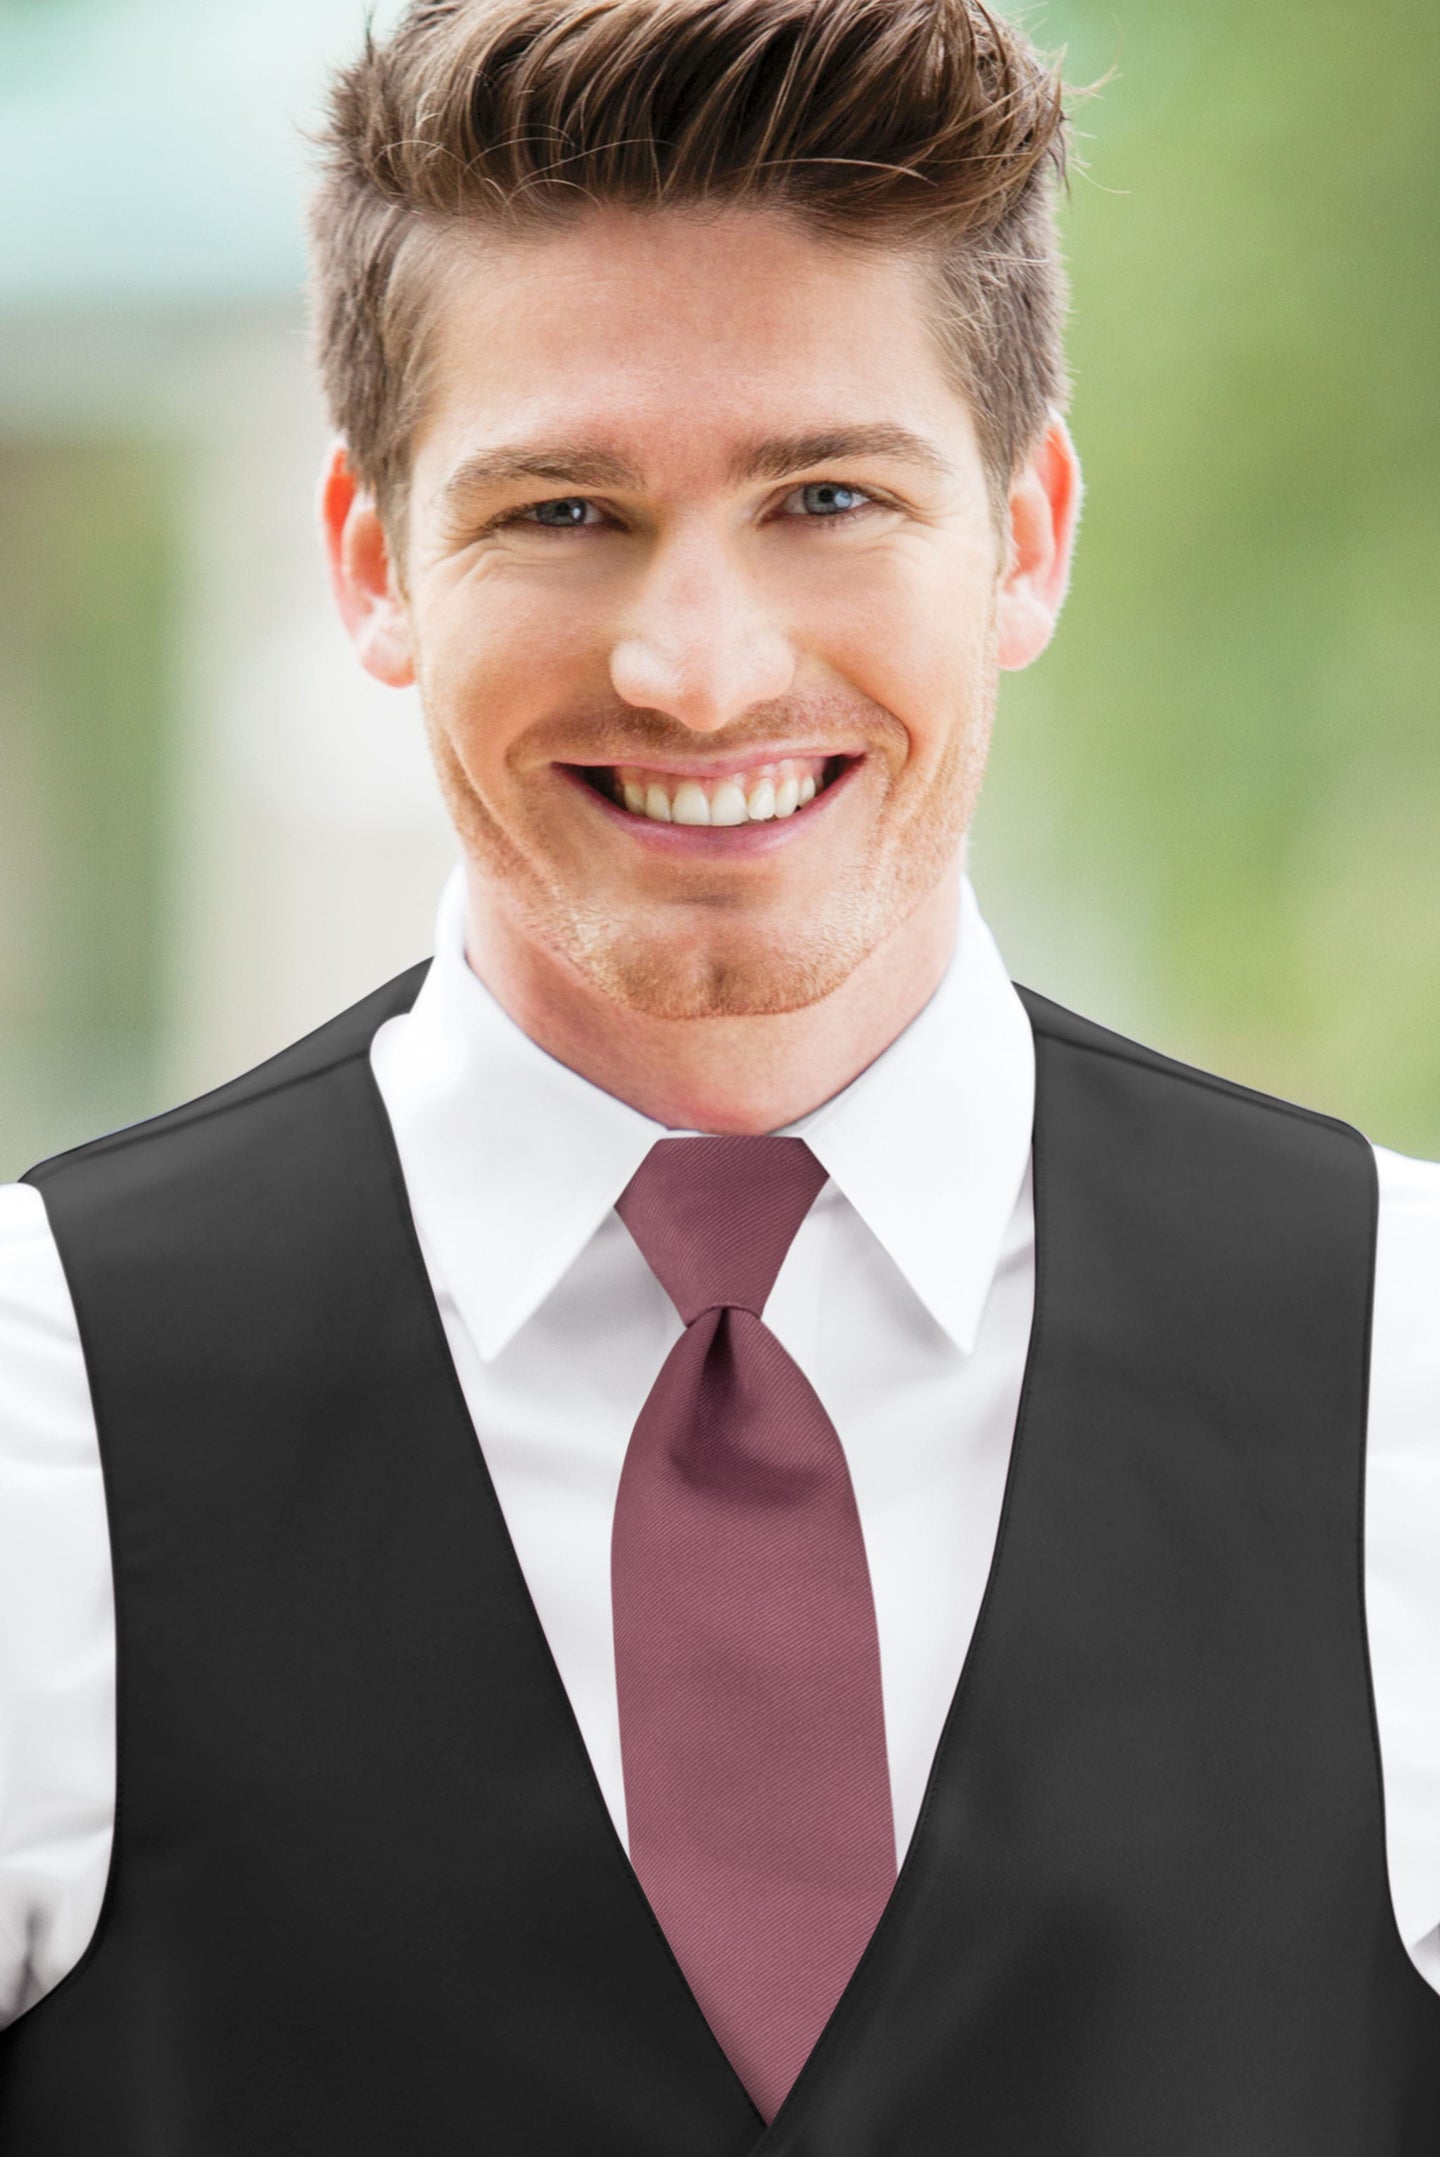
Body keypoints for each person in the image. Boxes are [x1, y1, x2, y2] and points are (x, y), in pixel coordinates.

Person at [0, 0, 1437, 2145]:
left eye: (829, 493)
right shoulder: (30, 1402)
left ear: (1027, 535)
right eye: (564, 509)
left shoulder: (1416, 1356)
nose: (699, 667)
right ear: (373, 559)